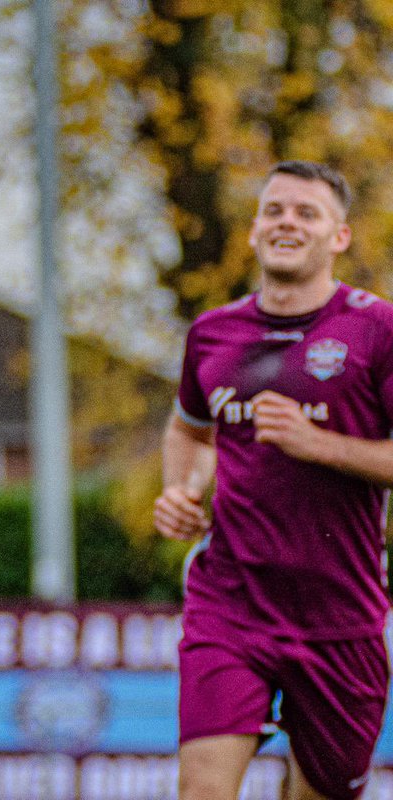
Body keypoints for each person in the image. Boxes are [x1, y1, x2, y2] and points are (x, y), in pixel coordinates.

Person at [155, 160, 393, 800]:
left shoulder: (377, 330)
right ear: (257, 229)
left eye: (307, 212)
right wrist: (182, 490)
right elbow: (190, 430)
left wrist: (317, 443)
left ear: (338, 237)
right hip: (230, 606)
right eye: (275, 210)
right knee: (201, 789)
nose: (287, 221)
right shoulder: (213, 334)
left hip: (340, 617)